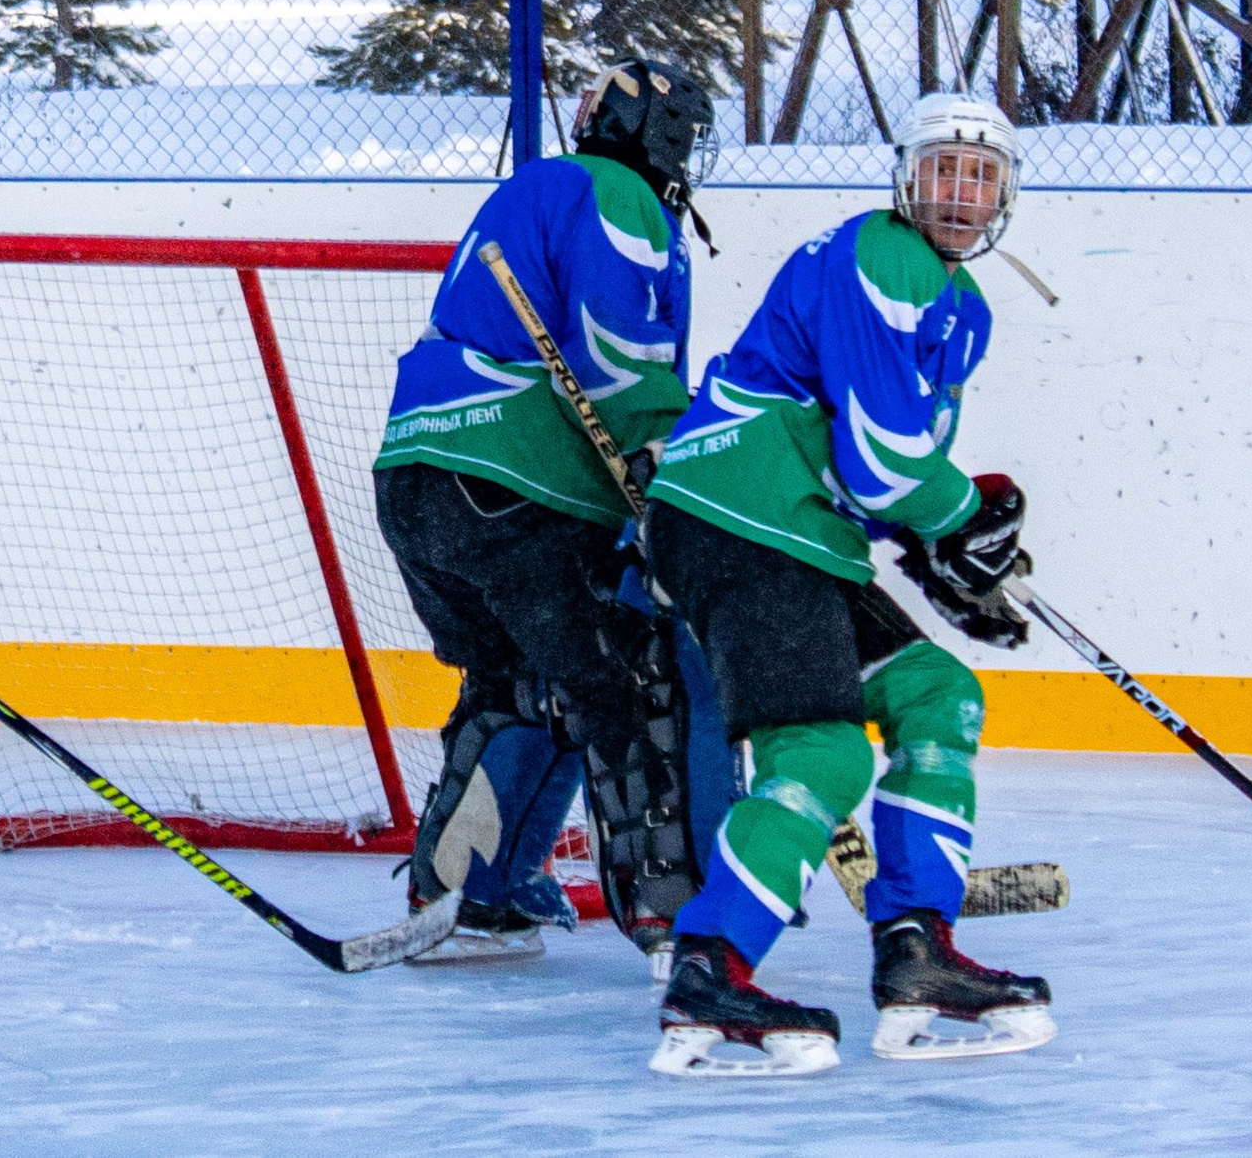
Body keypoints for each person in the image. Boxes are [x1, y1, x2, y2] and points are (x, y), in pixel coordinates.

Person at [640, 93, 1055, 1078]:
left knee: (934, 694)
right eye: (943, 169)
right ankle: (708, 966)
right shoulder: (881, 253)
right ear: (905, 176)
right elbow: (882, 461)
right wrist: (963, 522)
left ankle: (916, 951)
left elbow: (882, 483)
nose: (960, 191)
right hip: (742, 515)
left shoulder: (960, 305)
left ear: (1005, 193)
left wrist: (947, 552)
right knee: (821, 756)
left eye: (981, 174)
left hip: (801, 532)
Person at [372, 60, 709, 961]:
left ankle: (469, 895)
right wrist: (670, 463)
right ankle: (676, 914)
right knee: (621, 679)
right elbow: (617, 349)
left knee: (515, 679)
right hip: (517, 482)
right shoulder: (616, 192)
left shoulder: (531, 191)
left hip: (415, 481)